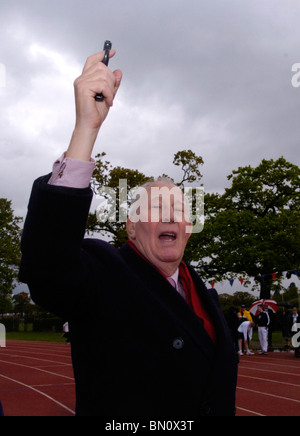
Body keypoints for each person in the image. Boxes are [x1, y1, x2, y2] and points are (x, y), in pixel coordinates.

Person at [19, 48, 238, 417]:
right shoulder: (105, 273)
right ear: (131, 227)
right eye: (156, 208)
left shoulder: (201, 291)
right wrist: (86, 128)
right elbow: (48, 265)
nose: (171, 217)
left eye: (180, 210)